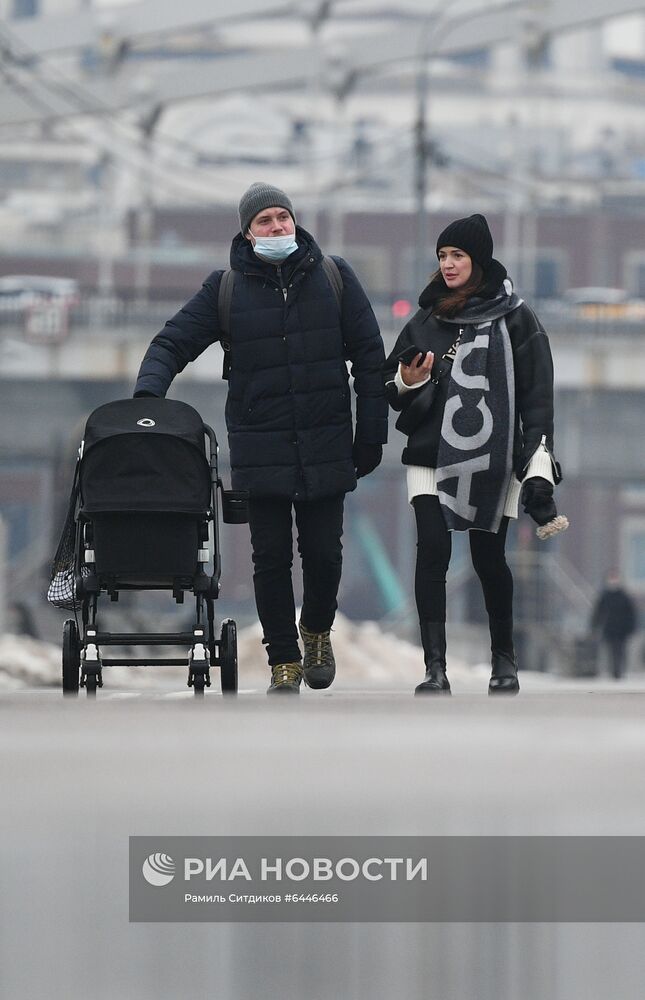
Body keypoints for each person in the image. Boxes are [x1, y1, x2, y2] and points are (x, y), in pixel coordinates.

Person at [134, 182, 388, 694]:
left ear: (295, 222)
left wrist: (372, 435)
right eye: (265, 222)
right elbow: (172, 341)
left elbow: (369, 357)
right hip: (258, 449)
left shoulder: (335, 277)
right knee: (269, 559)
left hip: (325, 443)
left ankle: (316, 630)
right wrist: (147, 397)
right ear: (247, 233)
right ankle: (284, 661)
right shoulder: (224, 289)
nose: (277, 228)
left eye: (282, 218)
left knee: (324, 555)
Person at [383, 213, 567, 696]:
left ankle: (503, 661)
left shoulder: (517, 318)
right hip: (429, 455)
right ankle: (435, 668)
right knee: (433, 553)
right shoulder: (426, 319)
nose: (447, 264)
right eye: (442, 256)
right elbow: (390, 386)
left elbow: (537, 398)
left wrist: (538, 461)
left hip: (494, 455)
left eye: (457, 256)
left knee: (489, 558)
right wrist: (409, 381)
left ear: (478, 260)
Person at [591, 571, 638, 680]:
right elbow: (598, 612)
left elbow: (631, 614)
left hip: (622, 630)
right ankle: (613, 671)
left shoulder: (624, 596)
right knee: (611, 650)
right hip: (609, 629)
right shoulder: (605, 596)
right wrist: (594, 626)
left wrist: (631, 628)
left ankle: (620, 671)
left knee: (621, 650)